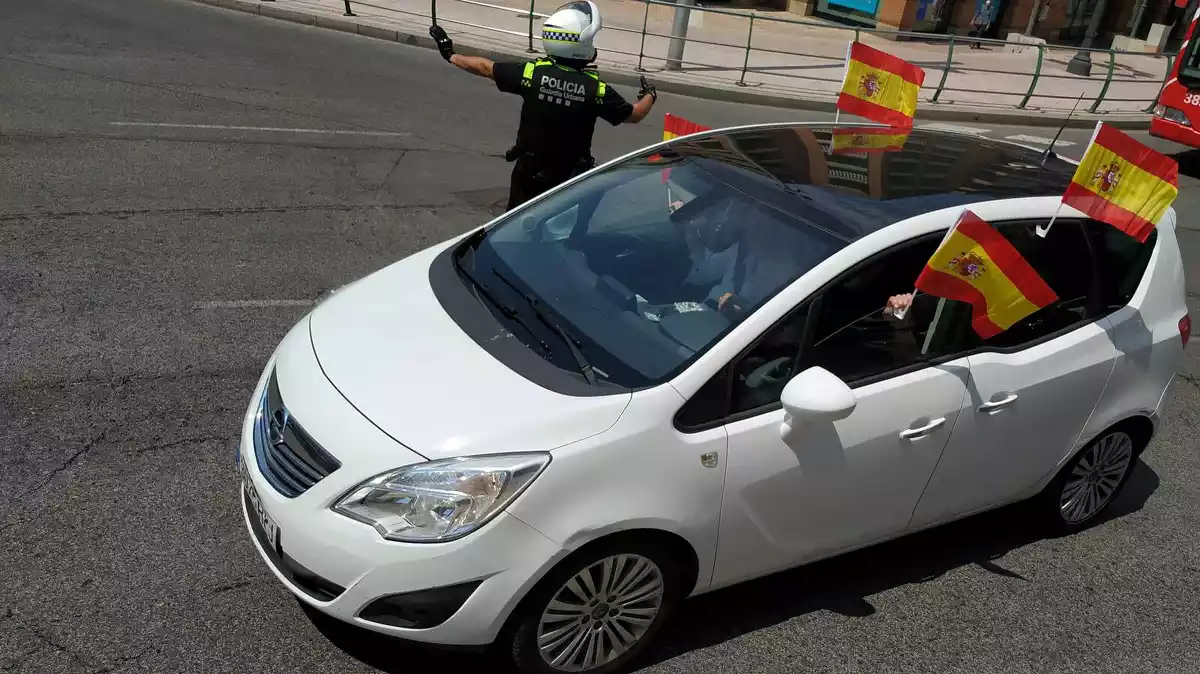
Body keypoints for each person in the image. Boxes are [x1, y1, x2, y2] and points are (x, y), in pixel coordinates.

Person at [428, 1, 658, 211]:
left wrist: (450, 55)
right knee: (558, 234)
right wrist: (650, 95)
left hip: (528, 170)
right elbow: (635, 114)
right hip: (569, 177)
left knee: (514, 224)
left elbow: (486, 67)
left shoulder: (532, 73)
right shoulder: (595, 89)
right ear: (581, 45)